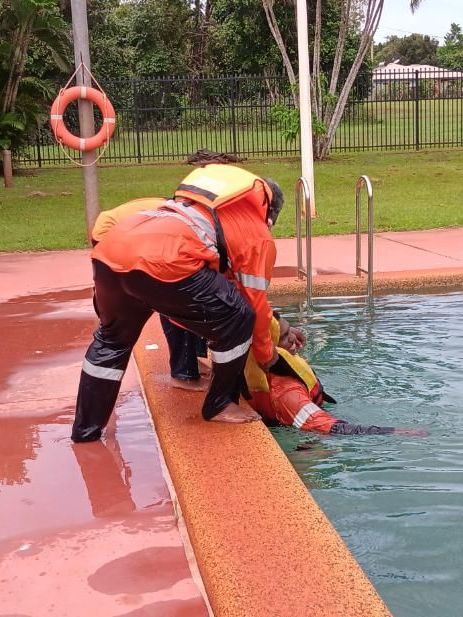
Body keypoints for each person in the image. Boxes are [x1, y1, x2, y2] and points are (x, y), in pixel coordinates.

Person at [72, 160, 284, 442]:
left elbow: (183, 307)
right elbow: (253, 306)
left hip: (109, 255)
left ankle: (86, 429)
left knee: (111, 342)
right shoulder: (256, 233)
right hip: (164, 263)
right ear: (269, 213)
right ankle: (220, 403)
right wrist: (268, 357)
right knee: (239, 316)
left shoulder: (191, 209)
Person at [92, 197, 209, 391]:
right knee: (177, 299)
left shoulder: (194, 217)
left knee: (187, 293)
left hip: (130, 231)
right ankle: (183, 374)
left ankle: (191, 362)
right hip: (111, 234)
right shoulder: (190, 223)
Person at [245, 315, 425, 436]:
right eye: (284, 336)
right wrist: (396, 432)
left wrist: (286, 330)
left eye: (289, 329)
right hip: (304, 438)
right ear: (272, 351)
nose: (293, 337)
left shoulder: (261, 362)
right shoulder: (286, 393)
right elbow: (335, 429)